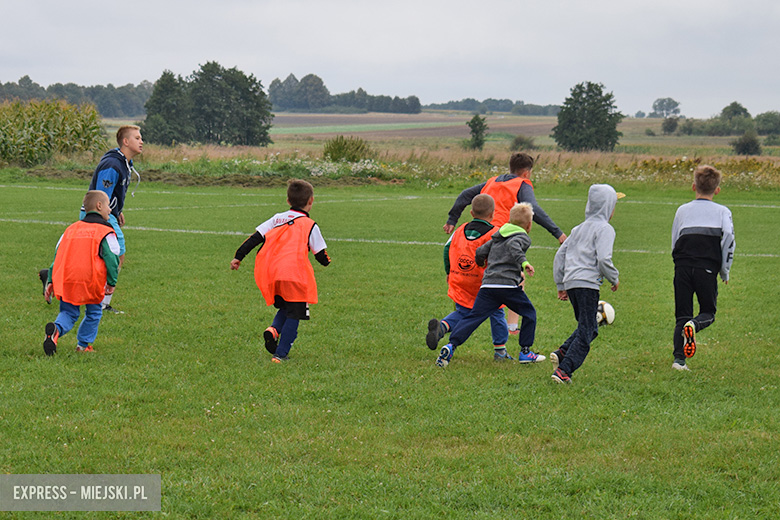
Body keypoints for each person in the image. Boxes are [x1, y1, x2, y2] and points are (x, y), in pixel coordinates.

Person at [442, 152, 566, 335]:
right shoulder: (522, 184)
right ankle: (512, 327)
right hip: (501, 237)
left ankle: (452, 324)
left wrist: (452, 219)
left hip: (476, 234)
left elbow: (464, 195)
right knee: (516, 278)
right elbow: (533, 209)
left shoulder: (492, 181)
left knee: (486, 283)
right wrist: (558, 233)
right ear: (527, 173)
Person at [39, 125, 142, 313]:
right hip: (97, 214)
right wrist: (105, 216)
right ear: (126, 142)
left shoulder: (124, 163)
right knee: (116, 252)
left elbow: (109, 196)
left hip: (106, 212)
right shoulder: (113, 165)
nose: (141, 141)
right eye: (137, 138)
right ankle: (102, 302)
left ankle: (51, 275)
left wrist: (117, 210)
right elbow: (100, 196)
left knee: (81, 255)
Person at [230, 179, 331, 363]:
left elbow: (255, 238)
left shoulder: (277, 218)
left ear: (288, 200)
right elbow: (321, 255)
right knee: (295, 313)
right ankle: (281, 354)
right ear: (311, 201)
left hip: (273, 272)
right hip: (295, 274)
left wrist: (238, 256)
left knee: (286, 306)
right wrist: (326, 261)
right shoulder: (309, 225)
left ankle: (273, 330)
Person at [436, 203, 545, 368]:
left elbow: (480, 252)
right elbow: (514, 248)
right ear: (529, 225)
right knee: (529, 313)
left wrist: (481, 263)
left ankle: (451, 346)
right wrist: (524, 263)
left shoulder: (498, 235)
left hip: (487, 287)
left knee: (473, 317)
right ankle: (525, 352)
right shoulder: (522, 237)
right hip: (507, 287)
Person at [550, 184, 622, 384]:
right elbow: (603, 259)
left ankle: (563, 351)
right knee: (587, 330)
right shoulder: (605, 229)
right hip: (588, 284)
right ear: (607, 207)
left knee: (588, 327)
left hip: (572, 283)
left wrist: (560, 283)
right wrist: (613, 278)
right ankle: (564, 371)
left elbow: (560, 255)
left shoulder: (577, 228)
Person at [426, 194, 512, 360]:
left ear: (471, 213)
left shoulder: (460, 230)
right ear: (493, 214)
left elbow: (447, 249)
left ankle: (442, 327)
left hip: (461, 278)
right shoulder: (495, 234)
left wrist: (449, 272)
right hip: (484, 283)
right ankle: (500, 351)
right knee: (497, 312)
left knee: (464, 311)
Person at [670, 165, 735, 371]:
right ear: (717, 190)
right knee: (708, 311)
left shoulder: (682, 210)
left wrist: (678, 264)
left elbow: (675, 240)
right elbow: (729, 241)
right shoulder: (723, 212)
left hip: (682, 267)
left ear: (693, 187)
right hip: (706, 268)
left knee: (682, 315)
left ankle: (679, 361)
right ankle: (695, 326)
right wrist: (724, 270)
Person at [43, 191, 121, 355]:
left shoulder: (70, 229)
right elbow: (112, 259)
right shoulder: (106, 231)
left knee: (68, 313)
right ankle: (83, 345)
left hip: (68, 278)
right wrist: (112, 282)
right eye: (108, 205)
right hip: (91, 280)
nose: (110, 210)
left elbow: (58, 256)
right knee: (94, 312)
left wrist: (51, 279)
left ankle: (56, 330)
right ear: (99, 206)